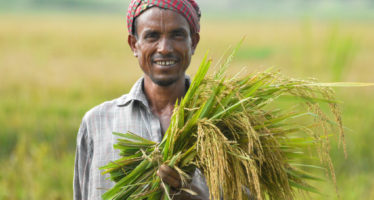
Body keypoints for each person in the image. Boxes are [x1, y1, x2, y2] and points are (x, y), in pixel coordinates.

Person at [73, 0, 210, 199]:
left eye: (177, 35)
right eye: (152, 36)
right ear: (134, 44)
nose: (164, 48)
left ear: (193, 42)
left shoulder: (226, 127)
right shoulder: (97, 123)